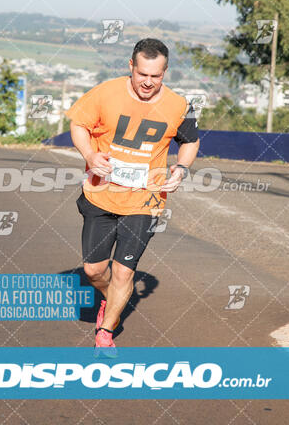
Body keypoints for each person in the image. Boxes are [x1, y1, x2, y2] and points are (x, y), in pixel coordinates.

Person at [65, 38, 200, 354]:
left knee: (124, 272)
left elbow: (191, 141)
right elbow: (78, 124)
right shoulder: (106, 92)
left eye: (156, 76)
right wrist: (89, 153)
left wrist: (180, 168)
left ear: (165, 72)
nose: (148, 83)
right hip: (100, 194)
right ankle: (109, 297)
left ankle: (106, 331)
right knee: (94, 271)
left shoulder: (179, 105)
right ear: (131, 67)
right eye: (142, 74)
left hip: (145, 199)